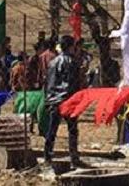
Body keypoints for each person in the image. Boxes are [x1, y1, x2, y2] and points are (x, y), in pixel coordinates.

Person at [44, 34, 83, 169]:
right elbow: (74, 83)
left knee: (52, 129)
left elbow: (48, 82)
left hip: (53, 99)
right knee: (72, 130)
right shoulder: (72, 62)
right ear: (71, 47)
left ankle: (47, 156)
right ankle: (74, 157)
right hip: (67, 100)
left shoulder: (52, 62)